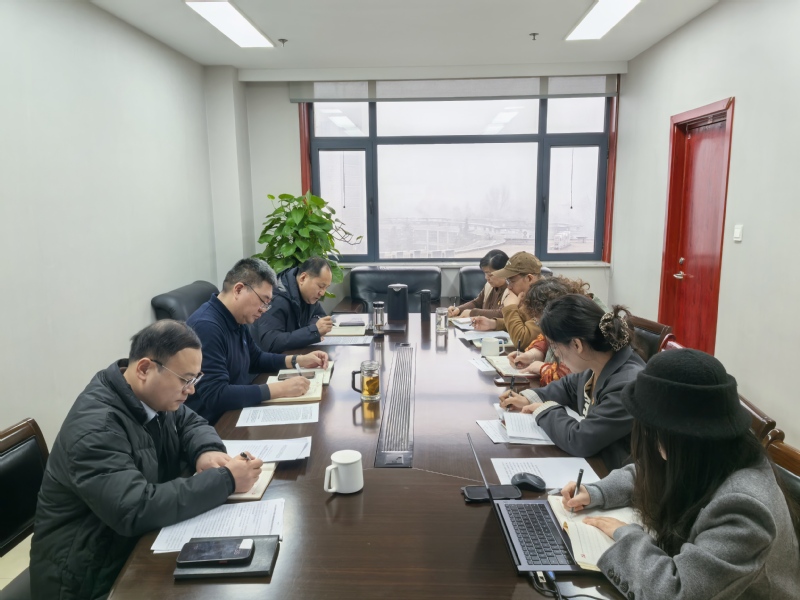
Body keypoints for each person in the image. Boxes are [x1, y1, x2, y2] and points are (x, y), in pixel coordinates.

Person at [30, 320, 264, 600]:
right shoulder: (95, 428)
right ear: (144, 369)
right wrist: (226, 480)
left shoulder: (151, 396)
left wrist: (207, 450)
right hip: (86, 577)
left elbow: (190, 422)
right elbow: (134, 508)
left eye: (195, 379)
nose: (191, 391)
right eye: (185, 380)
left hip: (129, 546)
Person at [561, 349, 800, 599]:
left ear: (675, 438)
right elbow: (653, 471)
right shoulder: (714, 447)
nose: (649, 441)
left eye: (650, 431)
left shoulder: (744, 508)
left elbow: (674, 593)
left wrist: (626, 534)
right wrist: (597, 492)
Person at [500, 294, 645, 470]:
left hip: (614, 473)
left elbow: (580, 439)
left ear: (577, 344)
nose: (556, 354)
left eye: (555, 347)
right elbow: (568, 386)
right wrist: (529, 398)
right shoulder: (598, 363)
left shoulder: (627, 385)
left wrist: (543, 410)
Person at [186, 258, 328, 424]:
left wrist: (299, 360)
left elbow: (256, 358)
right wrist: (281, 389)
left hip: (237, 411)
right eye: (263, 301)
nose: (264, 310)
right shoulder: (206, 327)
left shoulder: (236, 318)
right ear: (238, 289)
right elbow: (216, 395)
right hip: (216, 424)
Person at [507, 276, 609, 385]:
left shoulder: (583, 323)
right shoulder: (571, 312)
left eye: (540, 322)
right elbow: (545, 339)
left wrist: (542, 368)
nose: (555, 351)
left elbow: (572, 378)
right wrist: (532, 355)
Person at [251, 256, 334, 352]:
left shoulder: (308, 296)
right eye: (320, 286)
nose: (322, 293)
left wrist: (312, 329)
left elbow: (320, 315)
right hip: (269, 360)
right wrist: (313, 331)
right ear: (303, 278)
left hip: (294, 355)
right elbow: (271, 342)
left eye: (326, 287)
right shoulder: (276, 299)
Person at [471, 251, 542, 349]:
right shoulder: (528, 296)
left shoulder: (545, 302)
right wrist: (493, 324)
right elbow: (521, 322)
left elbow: (521, 341)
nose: (509, 287)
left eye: (512, 281)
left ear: (529, 278)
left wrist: (510, 307)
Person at [447, 249, 509, 319]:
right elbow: (477, 303)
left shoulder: (511, 290)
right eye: (485, 273)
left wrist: (472, 313)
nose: (486, 278)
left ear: (504, 272)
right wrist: (458, 309)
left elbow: (501, 314)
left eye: (490, 275)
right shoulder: (489, 286)